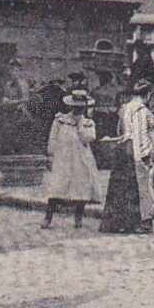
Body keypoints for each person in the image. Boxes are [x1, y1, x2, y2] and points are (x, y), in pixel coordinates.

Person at [100, 79, 154, 234]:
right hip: (134, 150)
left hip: (123, 148)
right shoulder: (141, 111)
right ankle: (135, 223)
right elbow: (141, 136)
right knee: (135, 188)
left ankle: (117, 223)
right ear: (147, 95)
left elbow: (120, 129)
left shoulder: (125, 108)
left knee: (119, 186)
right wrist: (145, 156)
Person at [42, 90, 100, 229]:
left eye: (81, 107)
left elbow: (88, 138)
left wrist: (80, 124)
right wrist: (50, 156)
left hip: (81, 159)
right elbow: (53, 138)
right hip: (63, 159)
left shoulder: (88, 123)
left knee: (81, 187)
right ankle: (48, 217)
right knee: (57, 187)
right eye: (76, 106)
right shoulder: (60, 120)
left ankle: (78, 217)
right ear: (70, 106)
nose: (78, 110)